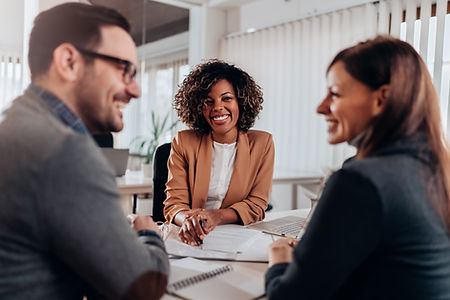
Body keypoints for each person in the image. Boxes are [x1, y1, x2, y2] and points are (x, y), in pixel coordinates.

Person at [0, 3, 169, 300]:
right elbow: (144, 287)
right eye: (124, 69)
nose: (135, 90)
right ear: (69, 61)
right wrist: (149, 233)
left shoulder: (14, 128)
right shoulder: (63, 151)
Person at [265, 36, 450, 299]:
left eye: (335, 93)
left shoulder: (360, 182)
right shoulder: (435, 169)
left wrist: (279, 257)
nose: (321, 107)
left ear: (381, 99)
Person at [164, 60, 274, 246]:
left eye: (226, 98)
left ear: (241, 101)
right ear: (198, 107)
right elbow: (174, 204)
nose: (217, 107)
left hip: (237, 239)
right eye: (208, 101)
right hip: (189, 237)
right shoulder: (183, 142)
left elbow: (256, 205)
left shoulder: (262, 144)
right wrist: (190, 222)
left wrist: (215, 217)